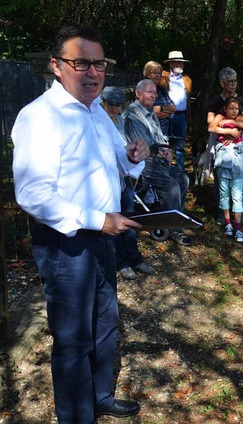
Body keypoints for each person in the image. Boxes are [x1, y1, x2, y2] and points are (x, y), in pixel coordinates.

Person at [12, 25, 148, 421]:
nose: (92, 73)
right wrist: (95, 220)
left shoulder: (97, 113)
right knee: (72, 341)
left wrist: (132, 156)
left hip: (105, 235)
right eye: (80, 63)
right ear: (56, 66)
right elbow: (34, 195)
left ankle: (100, 396)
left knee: (106, 323)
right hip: (65, 245)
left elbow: (115, 163)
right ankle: (77, 416)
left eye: (99, 64)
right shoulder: (39, 117)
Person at [123, 79, 192, 246]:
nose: (153, 95)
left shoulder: (150, 112)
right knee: (171, 186)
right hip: (141, 162)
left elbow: (158, 136)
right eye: (149, 92)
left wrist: (167, 150)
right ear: (138, 94)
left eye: (155, 92)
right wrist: (163, 152)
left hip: (156, 159)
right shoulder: (133, 115)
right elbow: (144, 145)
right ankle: (174, 228)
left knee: (183, 179)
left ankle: (173, 219)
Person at [101, 86, 156, 280]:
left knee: (129, 219)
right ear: (103, 103)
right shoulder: (99, 120)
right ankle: (122, 262)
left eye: (118, 105)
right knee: (115, 220)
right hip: (109, 179)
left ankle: (135, 259)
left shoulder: (121, 120)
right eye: (111, 105)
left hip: (124, 177)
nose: (115, 109)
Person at [206, 67, 243, 226]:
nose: (233, 84)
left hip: (238, 143)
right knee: (220, 177)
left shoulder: (242, 100)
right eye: (230, 81)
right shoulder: (216, 100)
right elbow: (210, 122)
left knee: (242, 177)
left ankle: (242, 209)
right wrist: (226, 132)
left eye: (235, 81)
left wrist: (234, 130)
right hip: (220, 143)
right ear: (222, 83)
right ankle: (222, 211)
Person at [160, 51, 192, 172]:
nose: (180, 65)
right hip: (168, 115)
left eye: (181, 63)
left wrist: (189, 118)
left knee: (180, 146)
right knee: (165, 142)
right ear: (171, 64)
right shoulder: (163, 77)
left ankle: (179, 172)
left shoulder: (187, 80)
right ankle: (165, 170)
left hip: (182, 115)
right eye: (177, 62)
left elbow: (187, 100)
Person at [143, 60, 175, 136]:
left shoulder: (161, 90)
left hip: (164, 133)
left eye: (159, 73)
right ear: (147, 74)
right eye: (154, 73)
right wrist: (167, 114)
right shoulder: (143, 89)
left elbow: (173, 108)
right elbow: (149, 113)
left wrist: (161, 108)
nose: (157, 75)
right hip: (150, 133)